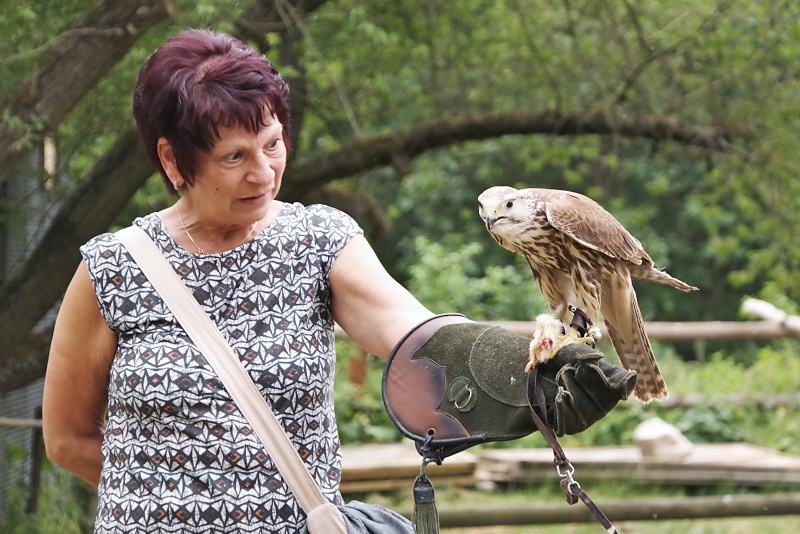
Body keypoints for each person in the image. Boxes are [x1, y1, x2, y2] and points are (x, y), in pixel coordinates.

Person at [42, 29, 630, 533]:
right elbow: (66, 439)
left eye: (272, 144)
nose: (264, 171)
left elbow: (411, 332)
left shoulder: (320, 240)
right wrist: (179, 502)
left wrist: (520, 371)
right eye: (234, 157)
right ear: (173, 161)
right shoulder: (114, 266)